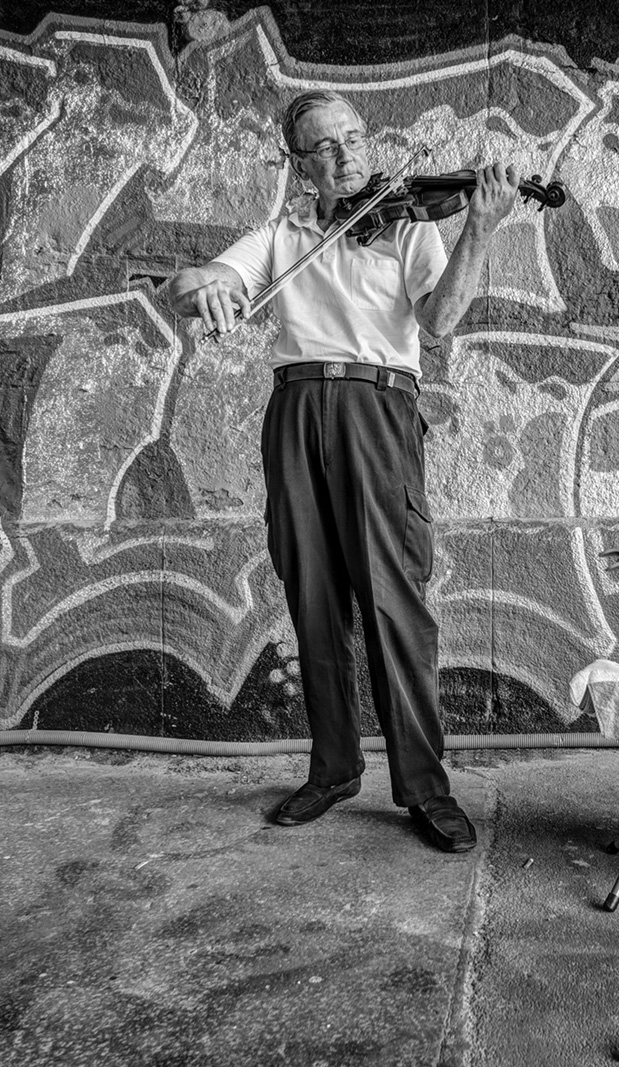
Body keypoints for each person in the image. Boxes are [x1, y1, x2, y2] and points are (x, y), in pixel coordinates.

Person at [165, 89, 520, 852]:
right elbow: (188, 285)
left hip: (377, 411)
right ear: (300, 165)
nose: (346, 154)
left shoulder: (408, 223)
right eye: (325, 146)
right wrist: (206, 287)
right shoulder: (282, 233)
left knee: (394, 601)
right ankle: (334, 768)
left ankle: (425, 786)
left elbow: (439, 320)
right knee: (313, 597)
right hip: (295, 412)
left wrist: (481, 228)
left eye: (354, 138)